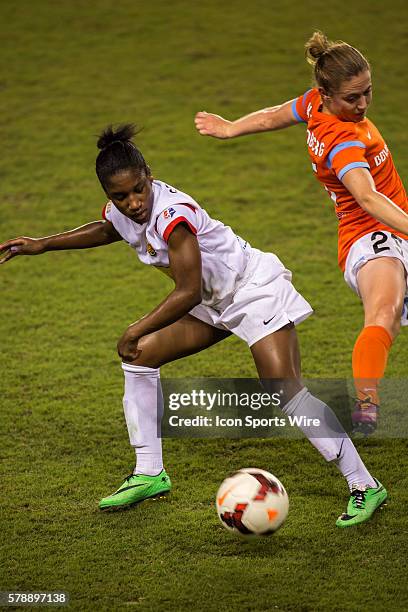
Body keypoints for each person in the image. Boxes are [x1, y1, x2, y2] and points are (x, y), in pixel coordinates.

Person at [0, 124, 387, 527]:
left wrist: (135, 327)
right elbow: (108, 228)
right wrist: (43, 243)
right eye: (120, 196)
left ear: (149, 174)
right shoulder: (121, 211)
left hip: (251, 290)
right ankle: (149, 472)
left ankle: (365, 485)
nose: (132, 203)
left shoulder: (173, 217)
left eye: (138, 190)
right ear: (108, 195)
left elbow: (185, 292)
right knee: (139, 357)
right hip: (212, 300)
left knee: (286, 391)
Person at [194, 31, 408, 436]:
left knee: (389, 318)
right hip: (371, 234)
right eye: (353, 97)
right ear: (326, 94)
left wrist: (231, 128)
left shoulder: (314, 105)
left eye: (368, 92)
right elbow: (367, 198)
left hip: (396, 220)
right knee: (384, 313)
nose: (363, 104)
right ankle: (366, 402)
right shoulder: (341, 138)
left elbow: (277, 112)